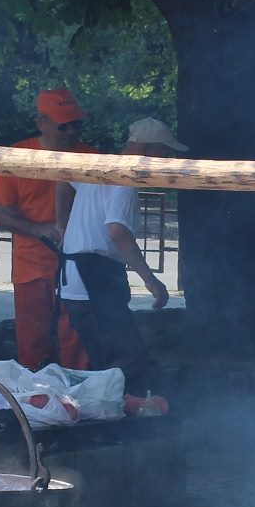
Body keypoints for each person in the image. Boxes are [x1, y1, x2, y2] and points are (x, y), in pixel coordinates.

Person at [56, 118, 173, 387]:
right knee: (125, 366)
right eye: (164, 150)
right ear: (147, 149)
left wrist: (61, 225)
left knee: (105, 364)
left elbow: (63, 179)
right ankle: (126, 410)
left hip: (78, 280)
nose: (167, 158)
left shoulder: (100, 166)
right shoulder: (125, 178)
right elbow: (117, 232)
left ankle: (111, 406)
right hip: (93, 278)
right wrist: (151, 281)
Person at [0, 89, 91, 370]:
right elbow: (1, 215)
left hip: (79, 267)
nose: (72, 131)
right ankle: (35, 394)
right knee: (32, 346)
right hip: (31, 267)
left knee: (77, 346)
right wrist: (41, 229)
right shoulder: (16, 157)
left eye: (77, 124)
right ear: (41, 123)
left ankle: (76, 392)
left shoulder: (92, 157)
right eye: (64, 125)